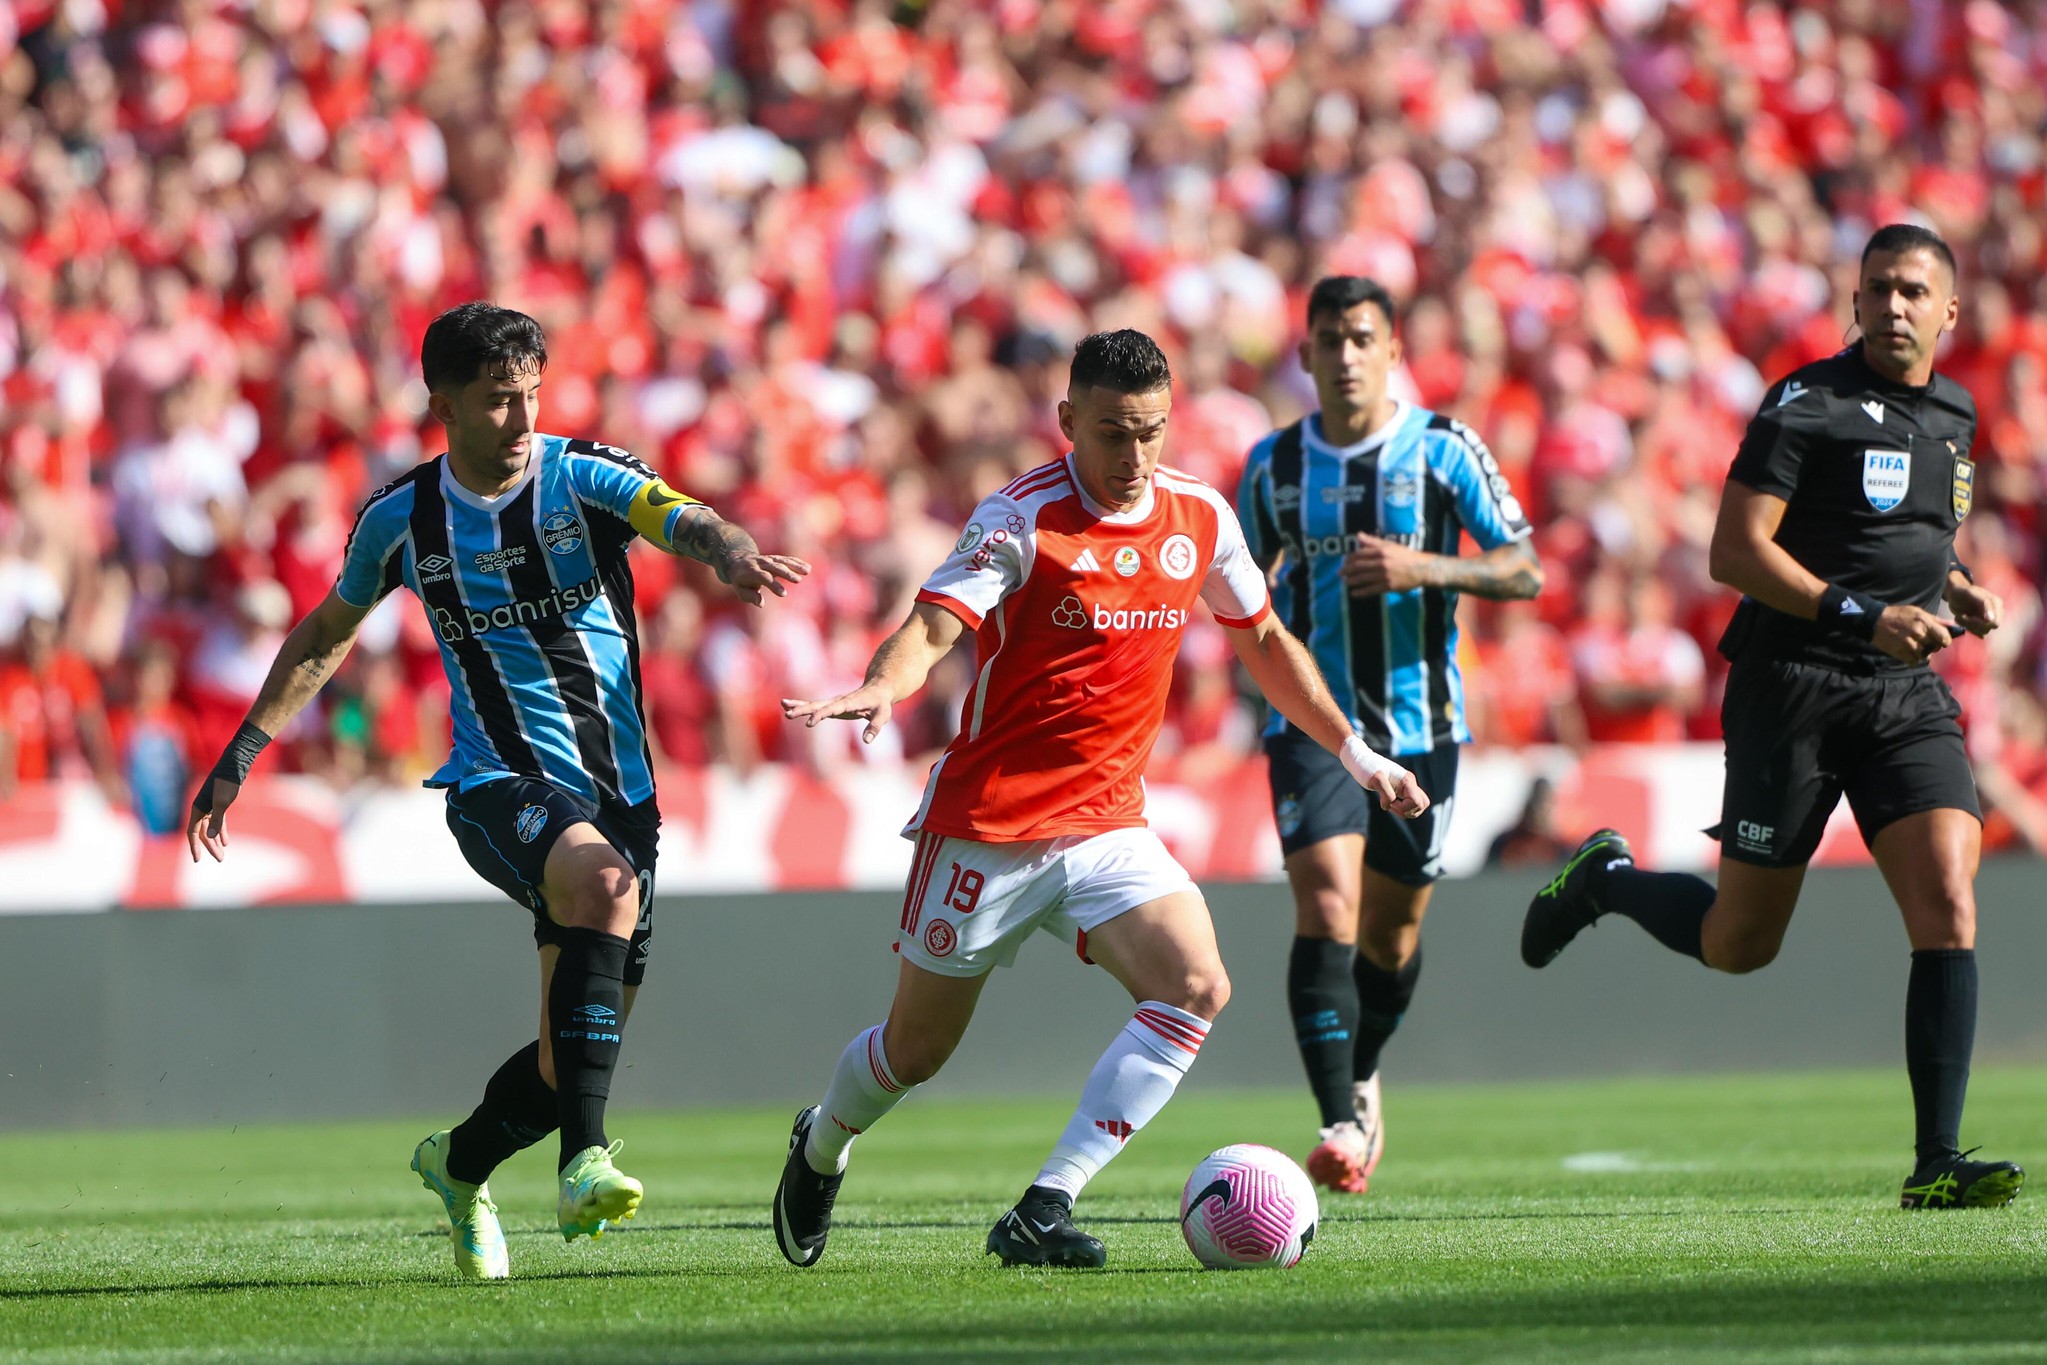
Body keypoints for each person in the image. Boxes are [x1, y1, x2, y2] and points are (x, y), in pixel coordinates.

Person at [770, 329, 1427, 1270]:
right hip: (989, 825)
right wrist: (885, 683)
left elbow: (1266, 643)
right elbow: (931, 625)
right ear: (1068, 420)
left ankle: (1044, 1204)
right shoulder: (1018, 519)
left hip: (1109, 821)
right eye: (1114, 434)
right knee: (914, 1052)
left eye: (1152, 432)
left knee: (1196, 983)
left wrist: (1359, 756)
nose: (1134, 457)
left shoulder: (1199, 517)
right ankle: (823, 1141)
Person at [186, 302, 809, 1277]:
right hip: (495, 780)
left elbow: (676, 514)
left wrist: (726, 548)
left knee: (569, 1060)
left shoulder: (582, 476)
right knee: (603, 892)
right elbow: (327, 633)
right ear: (442, 403)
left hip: (621, 798)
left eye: (530, 397)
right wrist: (243, 750)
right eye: (496, 403)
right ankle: (583, 1165)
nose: (520, 423)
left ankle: (457, 1166)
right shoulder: (403, 520)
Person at [1521, 225, 2025, 1210]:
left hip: (1901, 694)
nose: (1892, 306)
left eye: (1913, 292)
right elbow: (1734, 553)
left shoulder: (1957, 415)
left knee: (1948, 903)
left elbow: (1911, 541)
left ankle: (1935, 1161)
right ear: (1854, 298)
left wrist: (1956, 590)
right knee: (1739, 945)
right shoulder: (1807, 405)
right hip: (1790, 682)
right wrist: (1863, 615)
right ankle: (1608, 879)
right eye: (1876, 288)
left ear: (1948, 312)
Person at [1234, 276, 1542, 1194]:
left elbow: (1523, 569)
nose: (1344, 355)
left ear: (1394, 350)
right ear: (1305, 355)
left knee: (1391, 938)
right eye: (1328, 340)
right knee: (1326, 901)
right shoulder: (1273, 467)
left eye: (1362, 338)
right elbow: (1235, 590)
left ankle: (1361, 1066)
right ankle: (1337, 1119)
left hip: (1423, 723)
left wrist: (1423, 567)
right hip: (1314, 724)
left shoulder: (1445, 450)